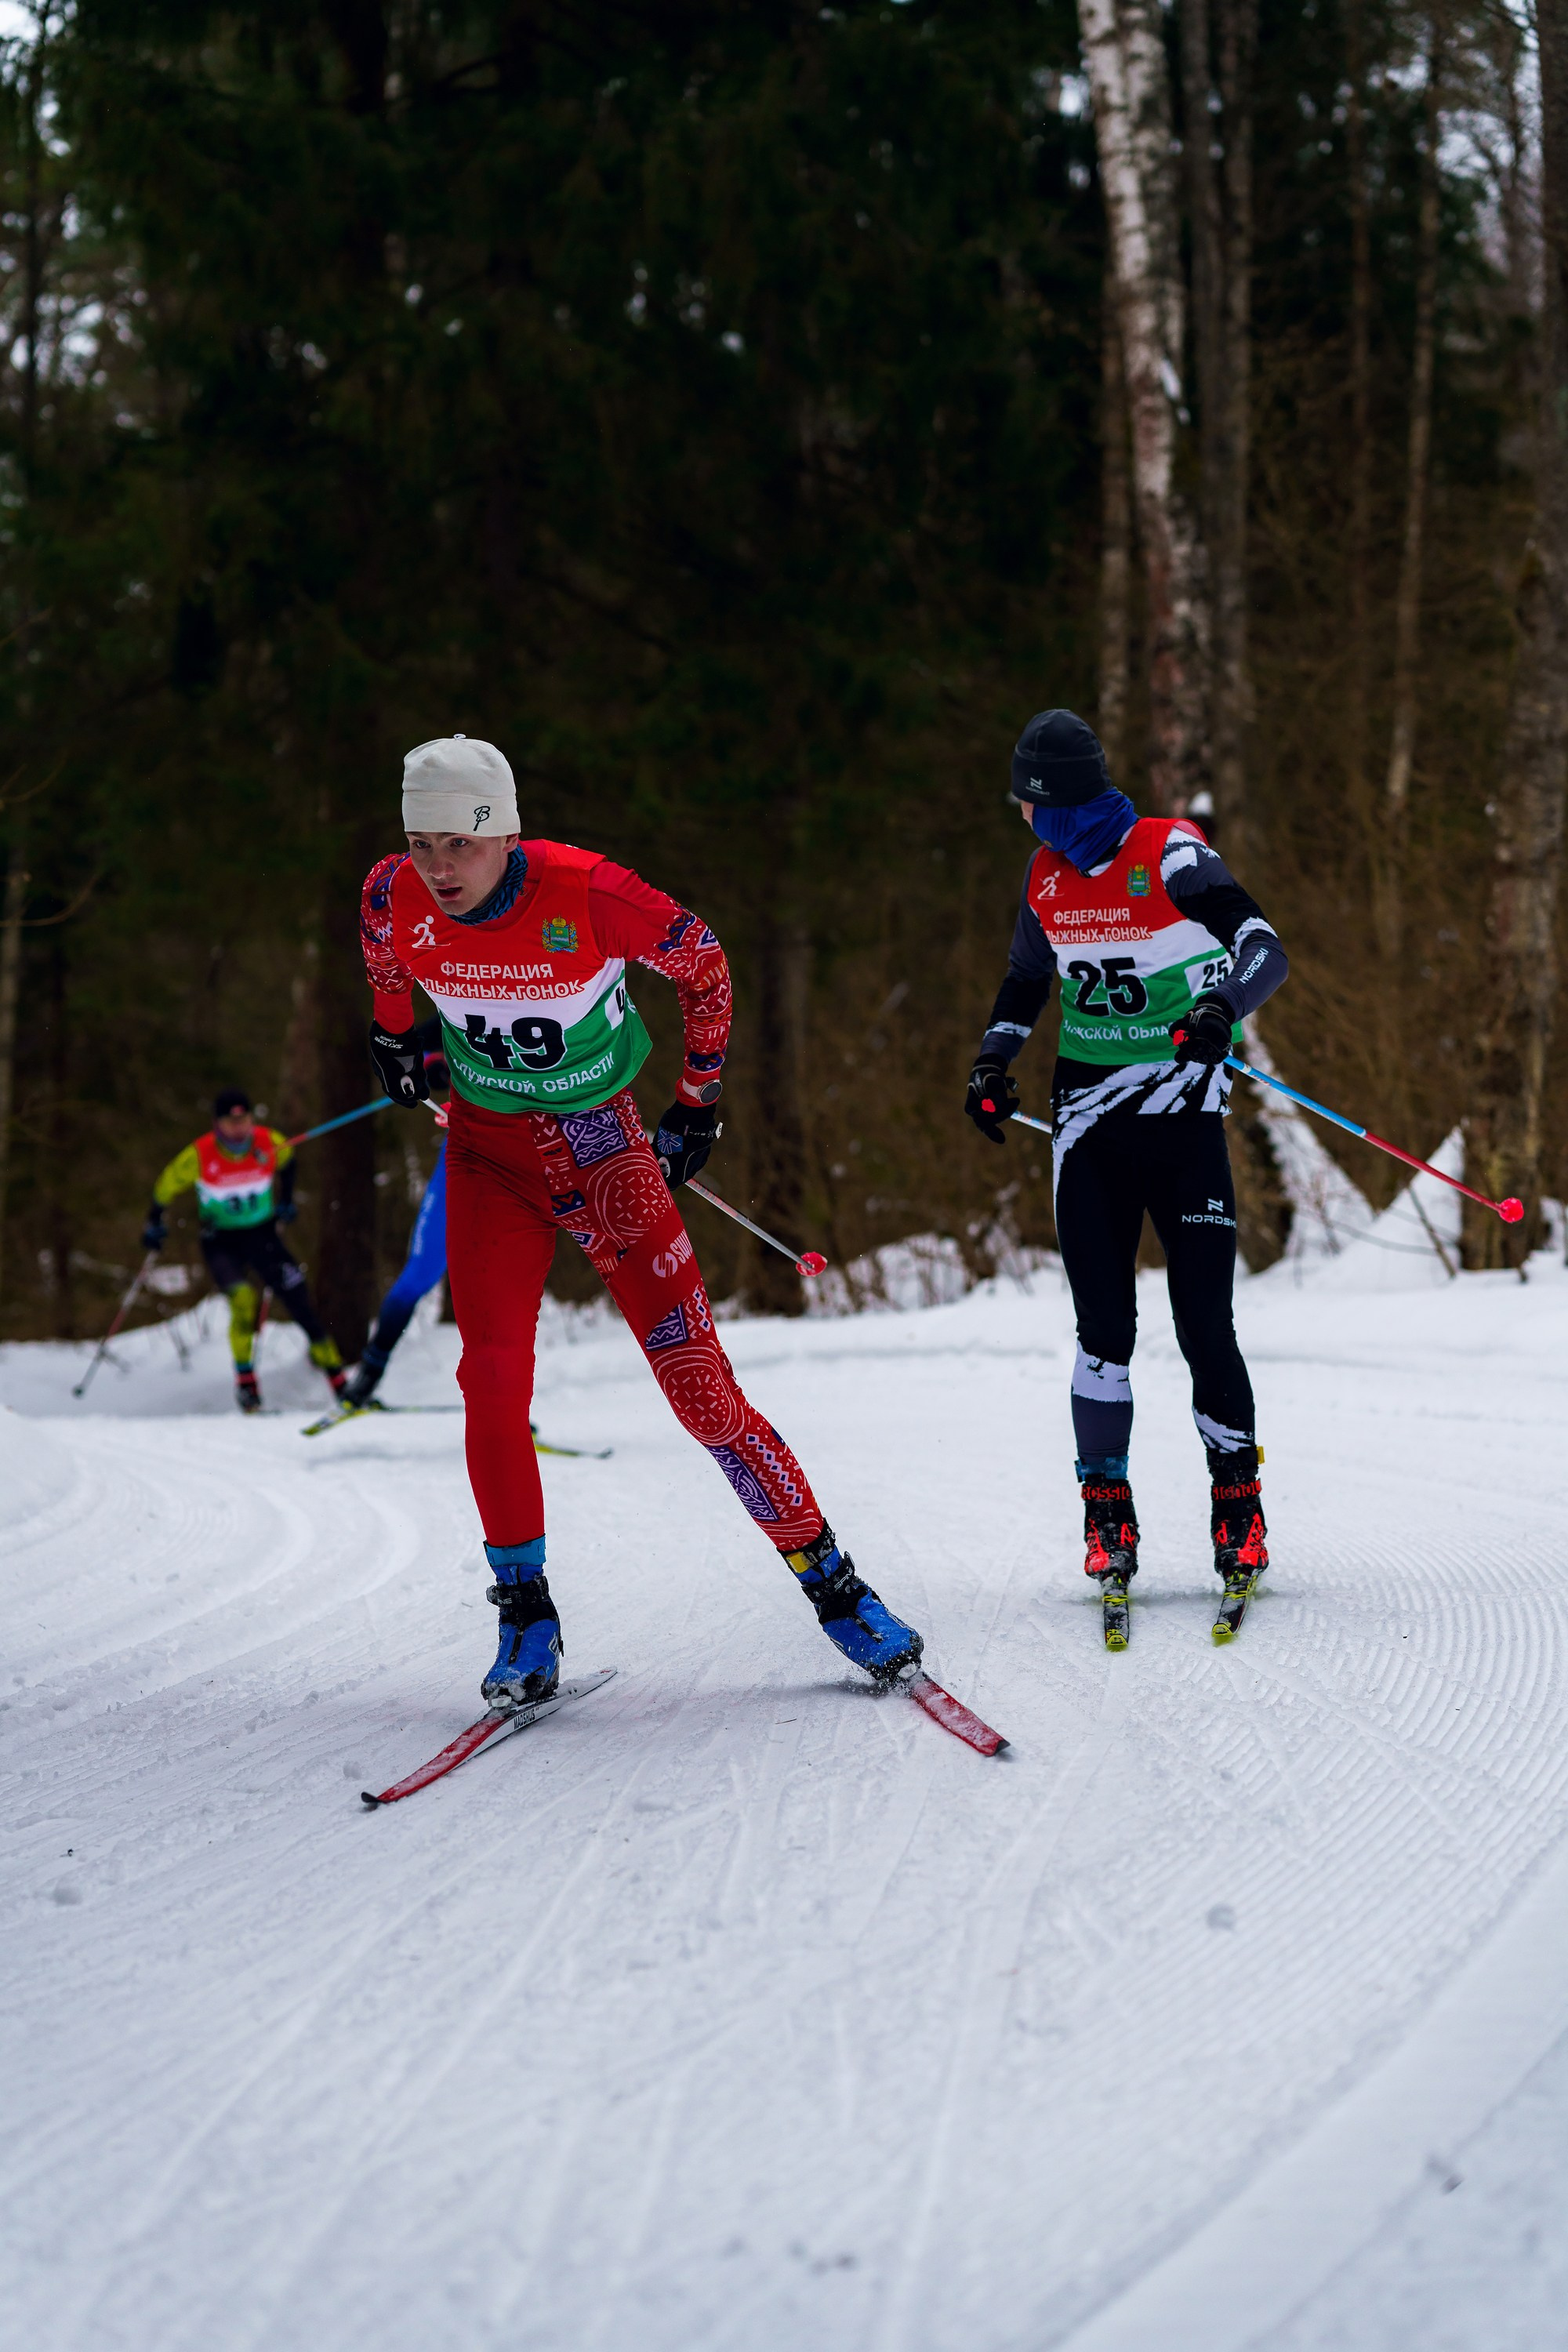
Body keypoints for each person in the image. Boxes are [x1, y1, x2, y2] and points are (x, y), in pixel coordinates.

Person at [361, 734, 921, 1710]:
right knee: (489, 1383)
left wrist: (697, 1099)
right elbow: (384, 964)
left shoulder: (588, 895)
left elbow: (704, 964)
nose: (437, 869)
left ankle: (834, 1586)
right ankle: (524, 1617)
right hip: (490, 1157)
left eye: (457, 843)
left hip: (606, 1153)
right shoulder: (390, 894)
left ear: (502, 831)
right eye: (421, 843)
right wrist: (394, 1037)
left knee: (699, 1387)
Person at [964, 709, 1288, 1634]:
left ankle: (1237, 1509)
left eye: (1025, 804)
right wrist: (992, 1062)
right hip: (1090, 1129)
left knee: (1202, 1325)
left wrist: (1221, 1006)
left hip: (1182, 1123)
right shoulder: (1045, 877)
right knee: (1101, 1330)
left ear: (1052, 802)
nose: (1019, 819)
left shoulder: (1170, 856)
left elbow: (1264, 945)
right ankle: (1105, 1515)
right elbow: (1028, 977)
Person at [143, 1087, 348, 1414]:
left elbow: (289, 1160)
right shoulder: (201, 1154)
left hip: (263, 1237)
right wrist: (154, 1223)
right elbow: (165, 1185)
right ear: (217, 1123)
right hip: (222, 1242)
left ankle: (343, 1386)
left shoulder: (268, 1141)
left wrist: (286, 1200)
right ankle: (247, 1387)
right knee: (243, 1303)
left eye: (244, 1119)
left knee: (301, 1304)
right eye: (231, 1120)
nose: (239, 1127)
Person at [340, 1022, 450, 1410]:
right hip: (463, 1162)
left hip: (535, 1157)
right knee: (419, 1274)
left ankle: (508, 1405)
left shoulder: (548, 990)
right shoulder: (464, 987)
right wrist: (426, 1066)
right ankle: (368, 1375)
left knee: (506, 1282)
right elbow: (412, 1042)